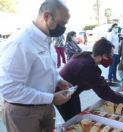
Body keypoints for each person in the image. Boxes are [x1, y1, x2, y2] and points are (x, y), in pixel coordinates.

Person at [0, 1, 72, 131]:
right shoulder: (20, 43)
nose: (63, 28)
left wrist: (58, 80)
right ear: (46, 16)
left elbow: (48, 68)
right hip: (23, 111)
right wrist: (52, 98)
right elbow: (9, 89)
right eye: (61, 23)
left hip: (44, 106)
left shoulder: (46, 39)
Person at [57, 38, 123, 121]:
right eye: (110, 56)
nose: (111, 59)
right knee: (73, 121)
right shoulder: (87, 67)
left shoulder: (87, 57)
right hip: (61, 94)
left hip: (72, 93)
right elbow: (104, 92)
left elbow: (96, 81)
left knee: (77, 117)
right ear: (101, 55)